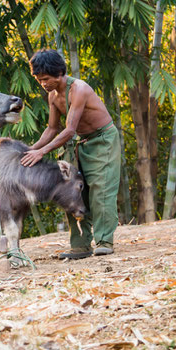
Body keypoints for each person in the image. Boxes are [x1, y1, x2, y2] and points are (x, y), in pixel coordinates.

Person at [20, 49, 120, 259]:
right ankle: (81, 245)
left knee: (100, 191)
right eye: (39, 80)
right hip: (81, 144)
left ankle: (104, 241)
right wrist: (31, 150)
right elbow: (51, 129)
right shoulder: (52, 96)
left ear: (59, 73)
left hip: (103, 140)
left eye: (46, 79)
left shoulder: (79, 89)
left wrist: (42, 152)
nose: (43, 84)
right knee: (73, 191)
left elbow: (69, 130)